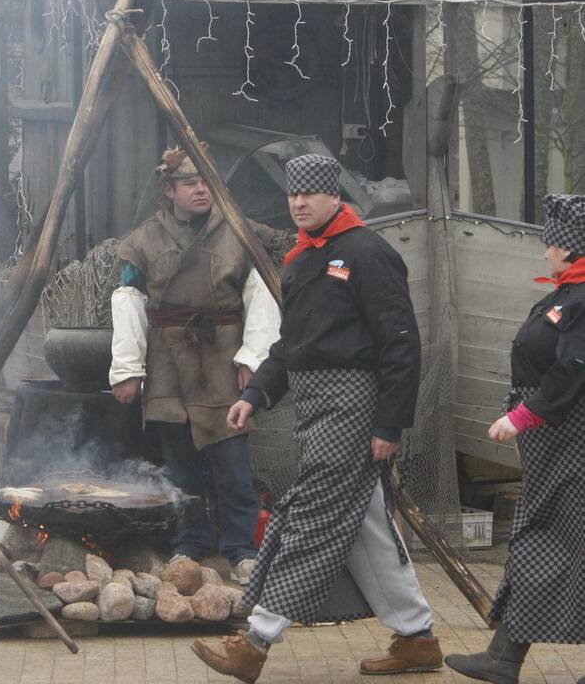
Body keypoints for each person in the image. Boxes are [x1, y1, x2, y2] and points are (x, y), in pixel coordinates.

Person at [191, 154, 440, 681]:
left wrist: (389, 425)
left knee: (308, 517)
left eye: (309, 195)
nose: (299, 203)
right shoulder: (302, 260)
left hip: (354, 405)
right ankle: (417, 638)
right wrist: (257, 393)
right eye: (292, 195)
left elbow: (401, 343)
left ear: (334, 197)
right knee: (368, 523)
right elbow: (293, 345)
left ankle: (255, 641)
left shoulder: (369, 253)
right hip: (314, 405)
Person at [109, 145, 280, 583]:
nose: (201, 189)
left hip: (222, 358)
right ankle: (190, 543)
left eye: (206, 182)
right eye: (190, 183)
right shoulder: (144, 240)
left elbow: (260, 295)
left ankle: (242, 550)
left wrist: (253, 359)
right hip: (166, 360)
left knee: (232, 466)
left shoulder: (239, 235)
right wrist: (128, 368)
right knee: (180, 465)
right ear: (169, 190)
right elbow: (129, 299)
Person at [444, 193, 585, 684]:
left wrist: (525, 415)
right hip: (554, 446)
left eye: (551, 241)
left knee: (552, 541)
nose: (545, 248)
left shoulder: (582, 297)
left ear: (569, 246)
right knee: (546, 541)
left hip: (569, 441)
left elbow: (573, 369)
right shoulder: (566, 294)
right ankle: (505, 656)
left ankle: (506, 657)